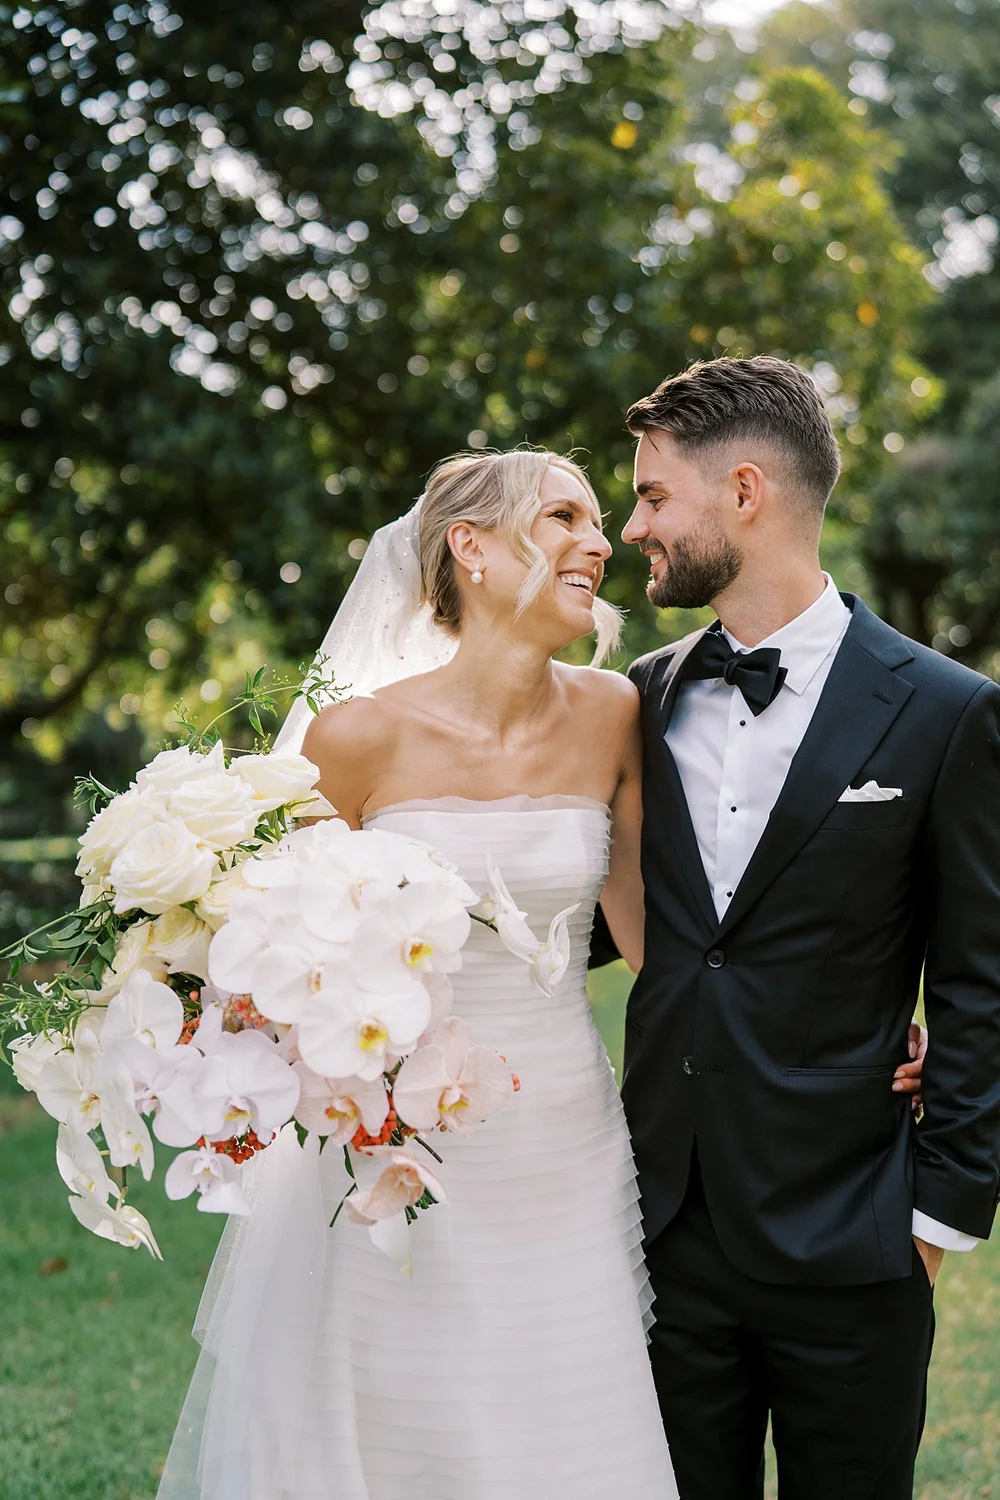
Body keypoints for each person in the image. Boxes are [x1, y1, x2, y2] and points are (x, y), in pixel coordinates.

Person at [157, 440, 925, 1500]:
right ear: (469, 546)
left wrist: (851, 1011)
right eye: (564, 517)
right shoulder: (353, 739)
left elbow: (669, 943)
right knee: (400, 1418)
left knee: (572, 1423)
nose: (602, 541)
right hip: (402, 1144)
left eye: (603, 519)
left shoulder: (615, 713)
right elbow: (259, 956)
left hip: (567, 1138)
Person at [612, 354, 1000, 1500]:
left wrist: (935, 1219)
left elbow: (979, 979)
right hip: (662, 1227)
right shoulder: (638, 694)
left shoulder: (945, 711)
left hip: (856, 1232)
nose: (635, 527)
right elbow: (585, 913)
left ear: (744, 494)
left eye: (649, 496)